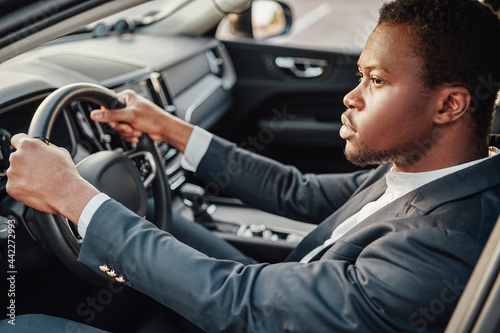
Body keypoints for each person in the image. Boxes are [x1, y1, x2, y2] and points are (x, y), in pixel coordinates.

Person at [3, 0, 500, 332]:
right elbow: (298, 192)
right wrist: (168, 127)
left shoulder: (440, 251)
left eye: (376, 80)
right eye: (358, 75)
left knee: (21, 325)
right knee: (170, 221)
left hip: (258, 308)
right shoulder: (426, 171)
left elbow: (236, 301)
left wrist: (72, 196)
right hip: (287, 289)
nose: (350, 97)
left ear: (449, 106)